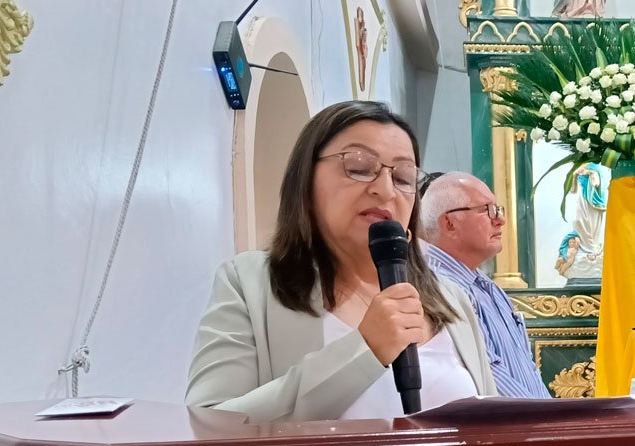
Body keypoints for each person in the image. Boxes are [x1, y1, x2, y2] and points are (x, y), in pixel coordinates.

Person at [186, 101, 496, 422]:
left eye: (403, 178)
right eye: (359, 168)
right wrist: (364, 351)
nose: (385, 190)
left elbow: (489, 427)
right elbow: (209, 425)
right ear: (306, 180)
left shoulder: (451, 298)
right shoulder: (248, 284)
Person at [419, 172, 551, 398]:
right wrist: (545, 421)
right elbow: (487, 374)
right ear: (449, 223)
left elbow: (524, 368)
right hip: (501, 428)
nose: (500, 219)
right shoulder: (435, 288)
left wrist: (551, 417)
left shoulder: (487, 287)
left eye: (498, 209)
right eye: (487, 210)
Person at [555, 163, 609, 285]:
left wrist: (588, 173)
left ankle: (592, 250)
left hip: (592, 203)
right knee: (577, 220)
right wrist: (576, 174)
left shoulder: (595, 167)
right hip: (581, 199)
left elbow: (597, 183)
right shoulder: (578, 167)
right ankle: (585, 249)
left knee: (592, 225)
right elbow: (573, 189)